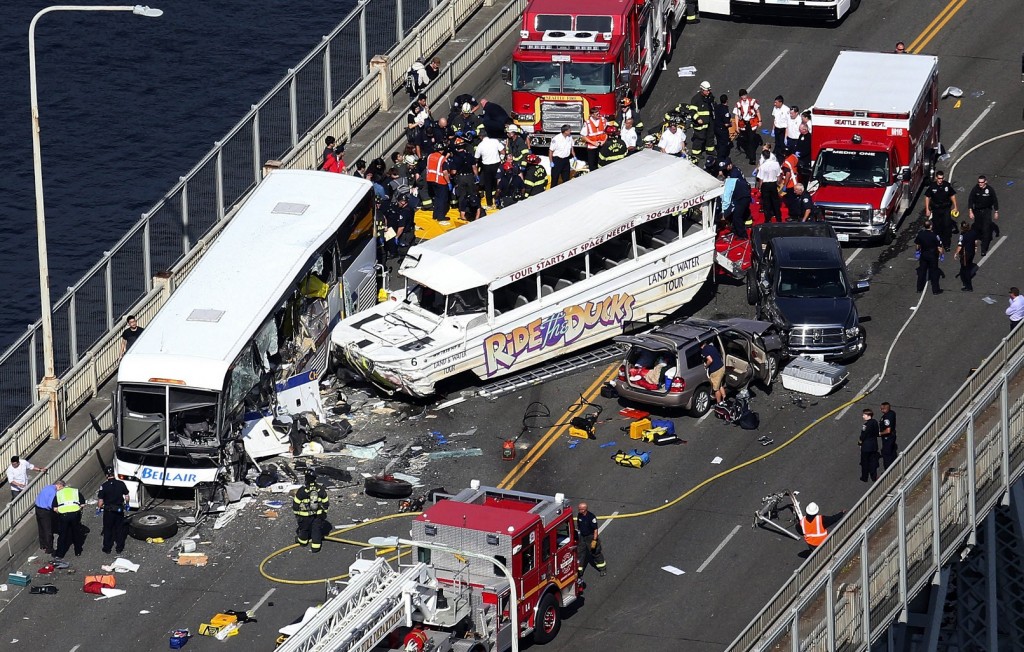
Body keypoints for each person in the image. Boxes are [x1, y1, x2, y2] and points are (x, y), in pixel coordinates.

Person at [292, 470, 330, 553]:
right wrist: (324, 513)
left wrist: (296, 514)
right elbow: (326, 502)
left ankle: (303, 542)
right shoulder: (320, 489)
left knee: (304, 529)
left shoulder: (302, 491)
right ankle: (316, 547)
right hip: (318, 516)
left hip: (304, 516)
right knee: (316, 530)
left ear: (306, 479)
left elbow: (296, 504)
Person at [97, 466, 130, 554]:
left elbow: (100, 501)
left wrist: (99, 508)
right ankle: (119, 548)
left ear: (106, 475)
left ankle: (107, 548)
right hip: (119, 510)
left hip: (109, 511)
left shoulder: (104, 486)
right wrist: (127, 504)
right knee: (119, 529)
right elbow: (126, 496)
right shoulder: (121, 484)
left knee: (108, 529)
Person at [925, 170, 959, 250]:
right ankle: (938, 244)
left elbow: (952, 195)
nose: (940, 180)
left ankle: (946, 244)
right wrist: (927, 209)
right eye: (939, 178)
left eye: (942, 178)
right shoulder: (932, 186)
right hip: (936, 209)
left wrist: (955, 206)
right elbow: (927, 197)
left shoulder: (947, 185)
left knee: (947, 226)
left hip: (946, 208)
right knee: (937, 227)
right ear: (936, 178)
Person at [968, 175, 999, 256]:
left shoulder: (990, 190)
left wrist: (996, 211)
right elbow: (970, 199)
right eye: (979, 182)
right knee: (977, 227)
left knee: (986, 230)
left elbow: (995, 200)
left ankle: (983, 249)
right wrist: (970, 211)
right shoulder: (975, 189)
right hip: (977, 211)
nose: (980, 184)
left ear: (985, 182)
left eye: (982, 182)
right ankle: (974, 242)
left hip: (986, 211)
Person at [53, 480, 85, 559]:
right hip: (75, 514)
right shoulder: (75, 491)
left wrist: (60, 512)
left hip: (64, 515)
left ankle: (60, 554)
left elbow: (55, 508)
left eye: (56, 487)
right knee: (76, 533)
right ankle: (78, 551)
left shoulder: (58, 494)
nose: (56, 489)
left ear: (60, 486)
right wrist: (78, 509)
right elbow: (83, 504)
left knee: (62, 535)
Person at [687, 80, 717, 164]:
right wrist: (697, 119)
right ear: (702, 90)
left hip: (709, 120)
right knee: (700, 137)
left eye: (709, 90)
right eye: (707, 90)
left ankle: (710, 149)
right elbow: (692, 111)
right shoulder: (696, 99)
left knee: (710, 135)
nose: (709, 92)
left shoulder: (709, 97)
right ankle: (696, 152)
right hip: (700, 122)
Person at [475, 132, 505, 208]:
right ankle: (499, 200)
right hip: (497, 164)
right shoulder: (495, 141)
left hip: (487, 166)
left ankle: (489, 203)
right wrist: (501, 158)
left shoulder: (480, 145)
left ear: (481, 137)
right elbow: (503, 151)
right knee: (498, 183)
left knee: (488, 185)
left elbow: (476, 158)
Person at [732, 88, 762, 165]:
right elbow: (736, 116)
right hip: (743, 124)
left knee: (751, 140)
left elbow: (757, 111)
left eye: (745, 95)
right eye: (742, 95)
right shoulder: (738, 104)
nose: (744, 96)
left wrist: (760, 120)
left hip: (752, 123)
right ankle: (749, 153)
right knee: (746, 140)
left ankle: (752, 158)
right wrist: (737, 127)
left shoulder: (752, 102)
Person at [576, 502, 606, 577]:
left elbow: (595, 530)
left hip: (590, 537)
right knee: (580, 553)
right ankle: (579, 571)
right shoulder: (579, 515)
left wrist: (594, 540)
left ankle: (602, 569)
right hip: (583, 536)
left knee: (595, 553)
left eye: (580, 509)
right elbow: (579, 526)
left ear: (584, 509)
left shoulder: (591, 517)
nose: (579, 510)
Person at [914, 219, 943, 295]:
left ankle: (919, 288)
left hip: (924, 254)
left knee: (922, 271)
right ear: (931, 226)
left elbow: (918, 245)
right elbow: (939, 247)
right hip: (933, 255)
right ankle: (935, 290)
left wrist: (917, 252)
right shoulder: (935, 236)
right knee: (934, 272)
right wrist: (941, 255)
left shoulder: (920, 234)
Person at [35, 480, 62, 554]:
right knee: (48, 530)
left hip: (38, 508)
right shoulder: (54, 492)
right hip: (45, 512)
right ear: (59, 486)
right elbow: (50, 505)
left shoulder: (47, 487)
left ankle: (42, 545)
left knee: (41, 527)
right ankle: (49, 548)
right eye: (61, 489)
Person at [756, 148, 783, 223]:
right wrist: (778, 184)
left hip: (765, 185)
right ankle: (778, 217)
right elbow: (779, 175)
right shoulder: (776, 164)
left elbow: (761, 179)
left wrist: (760, 187)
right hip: (773, 184)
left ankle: (768, 219)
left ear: (764, 157)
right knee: (775, 201)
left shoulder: (762, 166)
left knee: (766, 203)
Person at [425, 146, 451, 222]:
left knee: (436, 198)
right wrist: (448, 182)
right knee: (442, 199)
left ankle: (435, 214)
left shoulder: (430, 156)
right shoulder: (442, 159)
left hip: (431, 180)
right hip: (440, 181)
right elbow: (445, 172)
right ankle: (440, 216)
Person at [954, 221, 979, 292]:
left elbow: (960, 246)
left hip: (965, 255)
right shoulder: (973, 232)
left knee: (966, 270)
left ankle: (968, 286)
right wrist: (975, 248)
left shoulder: (962, 235)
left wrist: (956, 253)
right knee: (967, 266)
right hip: (972, 252)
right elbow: (975, 242)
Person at [580, 107, 608, 171]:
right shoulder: (587, 123)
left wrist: (603, 141)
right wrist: (593, 143)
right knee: (592, 165)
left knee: (602, 163)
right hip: (592, 147)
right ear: (592, 115)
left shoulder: (603, 120)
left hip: (602, 145)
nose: (599, 115)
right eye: (597, 114)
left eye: (599, 113)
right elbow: (583, 136)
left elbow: (607, 132)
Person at [701, 340, 726, 404]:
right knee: (720, 385)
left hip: (716, 371)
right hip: (721, 367)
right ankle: (724, 399)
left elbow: (710, 360)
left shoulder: (704, 350)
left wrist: (706, 366)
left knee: (715, 389)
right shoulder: (711, 346)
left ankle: (719, 403)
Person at [859, 408, 881, 483]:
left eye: (864, 415)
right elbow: (877, 433)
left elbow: (862, 436)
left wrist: (860, 443)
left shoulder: (865, 425)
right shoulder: (875, 422)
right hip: (874, 445)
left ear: (869, 415)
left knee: (864, 462)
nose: (863, 416)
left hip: (866, 447)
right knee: (873, 462)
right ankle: (874, 477)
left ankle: (864, 477)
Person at [713, 93, 733, 160]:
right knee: (723, 144)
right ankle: (721, 158)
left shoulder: (717, 107)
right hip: (722, 130)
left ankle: (718, 153)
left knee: (719, 142)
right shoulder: (725, 110)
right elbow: (726, 124)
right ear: (727, 100)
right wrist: (731, 124)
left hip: (716, 128)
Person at [879, 402, 898, 471]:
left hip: (888, 438)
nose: (881, 410)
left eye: (882, 409)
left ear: (885, 409)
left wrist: (880, 433)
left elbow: (888, 430)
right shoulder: (892, 413)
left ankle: (887, 471)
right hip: (892, 436)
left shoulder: (887, 417)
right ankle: (895, 466)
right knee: (892, 452)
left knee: (886, 454)